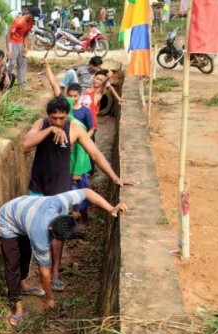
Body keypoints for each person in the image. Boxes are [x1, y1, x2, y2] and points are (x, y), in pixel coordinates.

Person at [22, 96, 135, 290]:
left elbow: (95, 154)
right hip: (38, 187)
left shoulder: (74, 128)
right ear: (48, 115)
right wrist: (49, 130)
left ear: (68, 115)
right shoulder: (41, 124)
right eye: (54, 118)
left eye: (61, 118)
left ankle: (55, 272)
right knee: (32, 229)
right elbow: (25, 145)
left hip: (60, 189)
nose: (58, 121)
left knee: (58, 232)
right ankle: (37, 270)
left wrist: (114, 177)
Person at [0, 190, 127, 325]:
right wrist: (50, 298)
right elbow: (44, 272)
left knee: (25, 252)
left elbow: (87, 192)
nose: (54, 240)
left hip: (25, 214)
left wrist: (111, 208)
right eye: (54, 237)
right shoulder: (39, 235)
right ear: (51, 227)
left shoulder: (60, 201)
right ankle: (17, 305)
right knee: (12, 264)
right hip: (7, 219)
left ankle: (23, 285)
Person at [44, 60, 95, 220]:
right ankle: (70, 220)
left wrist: (77, 172)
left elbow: (81, 152)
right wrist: (47, 67)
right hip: (67, 165)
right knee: (68, 195)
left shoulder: (76, 125)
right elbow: (55, 88)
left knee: (80, 195)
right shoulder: (65, 121)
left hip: (76, 168)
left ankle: (85, 219)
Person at [8, 7, 40, 88]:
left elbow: (25, 35)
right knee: (11, 64)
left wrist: (25, 47)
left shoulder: (32, 22)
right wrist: (8, 50)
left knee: (23, 63)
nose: (34, 19)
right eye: (34, 17)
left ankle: (22, 85)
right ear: (30, 14)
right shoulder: (19, 21)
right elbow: (8, 35)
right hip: (13, 43)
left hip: (21, 44)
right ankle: (6, 83)